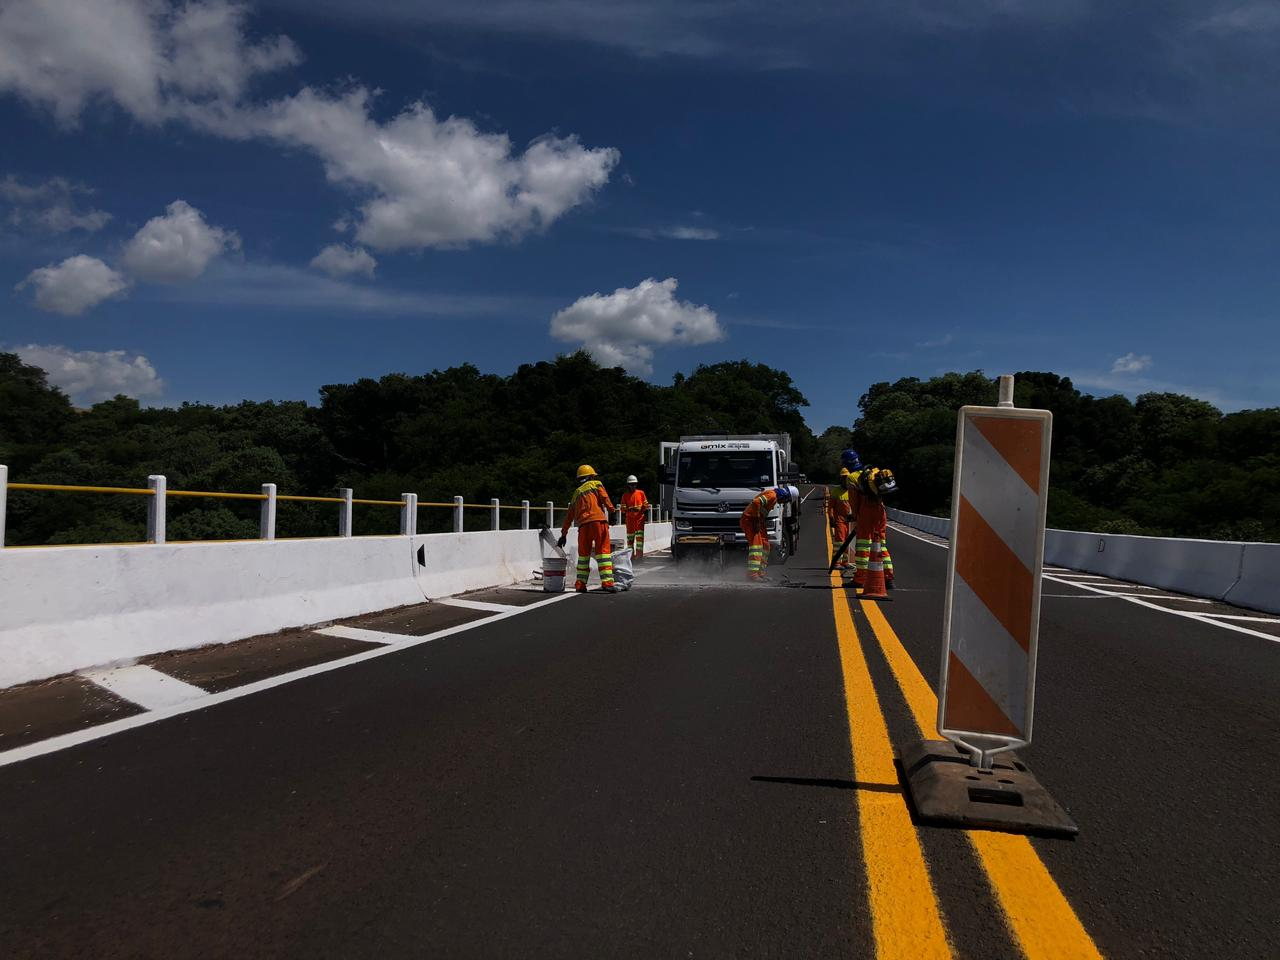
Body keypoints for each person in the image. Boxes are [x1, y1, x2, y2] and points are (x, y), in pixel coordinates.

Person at [557, 464, 618, 593]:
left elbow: (569, 516)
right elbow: (605, 498)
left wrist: (563, 534)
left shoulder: (577, 493)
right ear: (591, 476)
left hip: (583, 526)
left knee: (584, 557)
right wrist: (612, 512)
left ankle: (580, 585)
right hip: (598, 522)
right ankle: (607, 583)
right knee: (603, 553)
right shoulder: (596, 484)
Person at [851, 468, 898, 592]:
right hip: (880, 509)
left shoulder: (854, 479)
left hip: (868, 510)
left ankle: (860, 579)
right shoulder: (874, 474)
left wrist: (855, 515)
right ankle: (888, 578)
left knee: (863, 545)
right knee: (881, 545)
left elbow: (854, 500)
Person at [740, 485, 799, 581]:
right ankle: (752, 575)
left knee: (766, 546)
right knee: (757, 547)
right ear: (785, 495)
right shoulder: (772, 495)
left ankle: (760, 574)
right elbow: (756, 502)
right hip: (750, 520)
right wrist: (756, 520)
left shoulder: (774, 498)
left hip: (758, 521)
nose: (784, 503)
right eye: (786, 500)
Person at [827, 468, 852, 569]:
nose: (846, 480)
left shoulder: (852, 491)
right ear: (841, 479)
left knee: (847, 542)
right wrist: (831, 518)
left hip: (849, 521)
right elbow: (830, 507)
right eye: (844, 478)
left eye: (847, 478)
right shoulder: (836, 491)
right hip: (839, 521)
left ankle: (845, 562)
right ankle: (836, 562)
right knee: (839, 542)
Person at [621, 474, 650, 561]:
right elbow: (622, 508)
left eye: (634, 484)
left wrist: (640, 508)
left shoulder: (641, 493)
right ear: (628, 485)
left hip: (639, 520)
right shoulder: (625, 496)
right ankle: (631, 557)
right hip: (629, 520)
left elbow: (646, 504)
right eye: (631, 484)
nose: (633, 486)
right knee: (630, 540)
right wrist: (630, 509)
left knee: (639, 541)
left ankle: (639, 557)